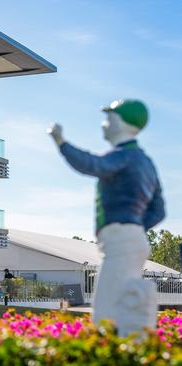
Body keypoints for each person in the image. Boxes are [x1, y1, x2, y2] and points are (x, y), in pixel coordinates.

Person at [48, 99, 164, 337]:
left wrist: (61, 143)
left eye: (108, 120)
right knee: (123, 302)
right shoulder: (146, 162)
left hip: (121, 241)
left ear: (121, 124)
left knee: (105, 312)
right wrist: (135, 227)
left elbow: (93, 164)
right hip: (131, 240)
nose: (103, 125)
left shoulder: (124, 155)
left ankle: (126, 352)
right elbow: (159, 209)